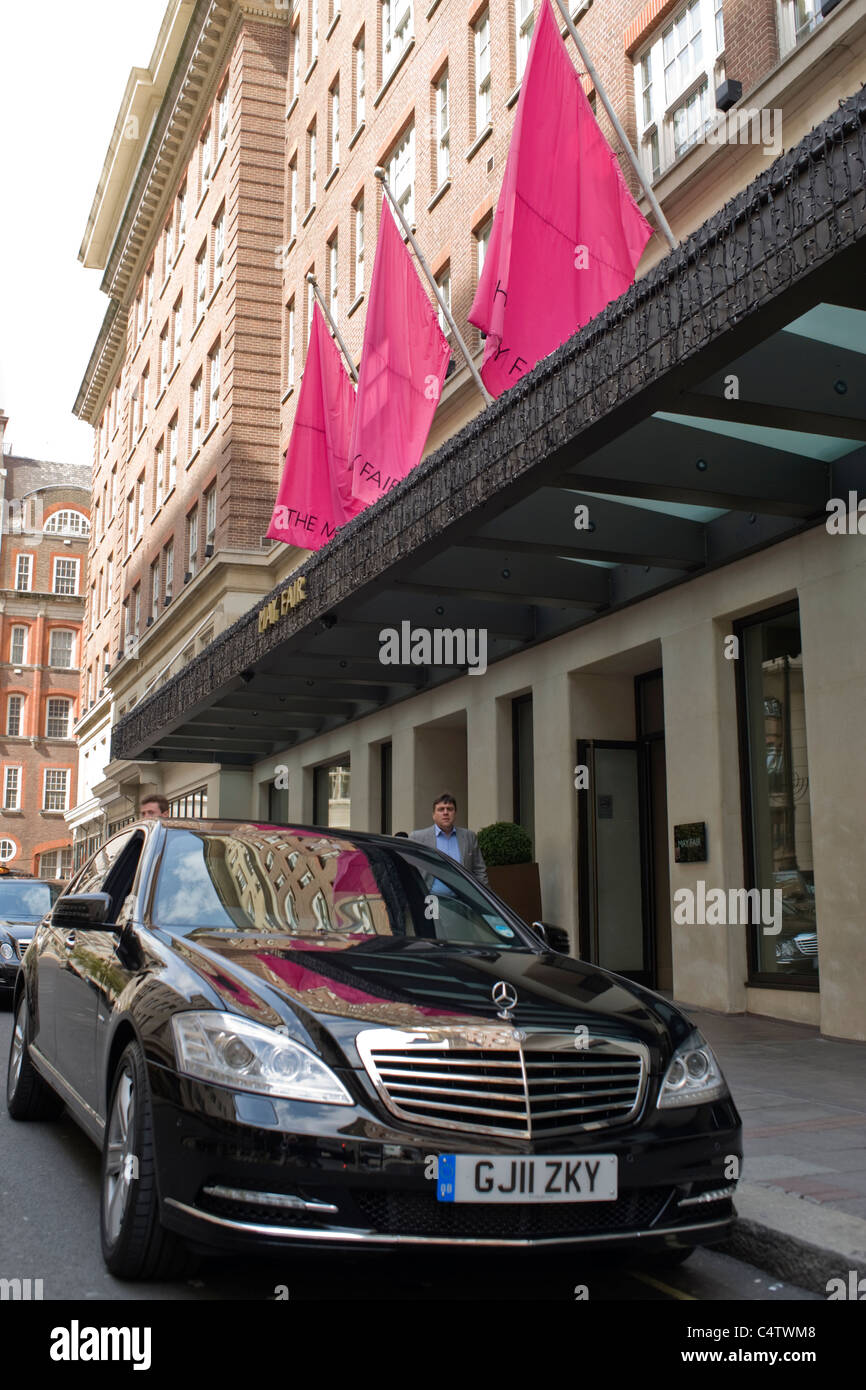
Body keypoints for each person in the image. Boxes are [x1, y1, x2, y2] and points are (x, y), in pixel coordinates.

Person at [410, 793, 489, 886]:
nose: (445, 813)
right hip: (430, 898)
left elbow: (479, 870)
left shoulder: (469, 836)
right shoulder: (418, 837)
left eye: (450, 809)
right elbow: (410, 870)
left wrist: (482, 898)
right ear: (433, 815)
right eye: (441, 809)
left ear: (455, 813)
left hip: (463, 899)